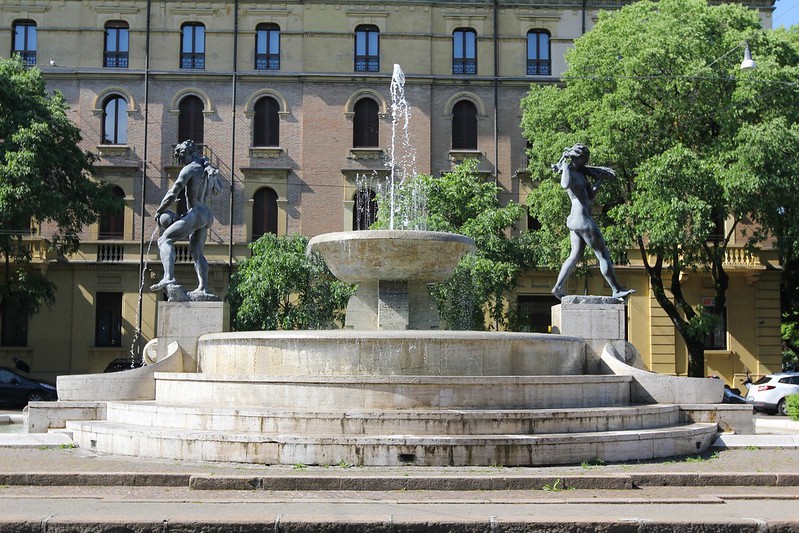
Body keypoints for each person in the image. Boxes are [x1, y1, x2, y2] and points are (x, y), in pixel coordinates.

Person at [550, 143, 634, 301]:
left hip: (577, 219)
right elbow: (565, 184)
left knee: (575, 255)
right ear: (578, 157)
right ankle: (616, 289)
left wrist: (598, 181)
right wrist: (564, 167)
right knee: (603, 255)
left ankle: (558, 286)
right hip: (581, 218)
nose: (587, 161)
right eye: (585, 159)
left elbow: (589, 196)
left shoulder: (581, 173)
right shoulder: (569, 169)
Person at [150, 139, 223, 297]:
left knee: (164, 240)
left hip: (196, 213)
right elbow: (219, 190)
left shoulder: (189, 169)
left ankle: (168, 276)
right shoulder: (205, 166)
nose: (181, 161)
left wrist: (160, 210)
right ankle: (203, 288)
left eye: (181, 157)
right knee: (196, 252)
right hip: (206, 215)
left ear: (189, 153)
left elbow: (173, 193)